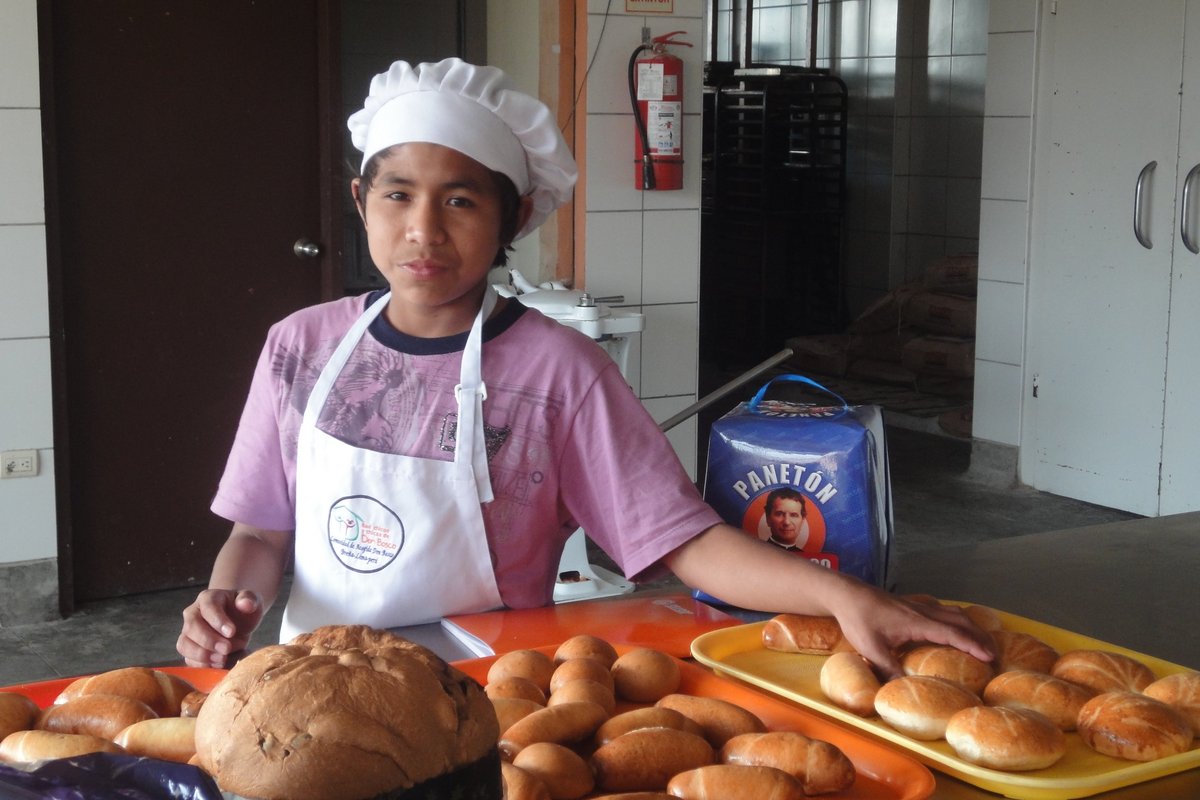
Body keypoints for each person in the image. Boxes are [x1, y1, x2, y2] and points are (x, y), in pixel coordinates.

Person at [177, 58, 992, 678]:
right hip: (315, 677)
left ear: (514, 218)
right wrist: (228, 603)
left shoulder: (558, 373)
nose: (423, 230)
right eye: (398, 196)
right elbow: (258, 531)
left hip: (486, 685)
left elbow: (685, 542)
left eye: (460, 200)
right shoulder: (301, 346)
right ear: (361, 202)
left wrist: (849, 598)